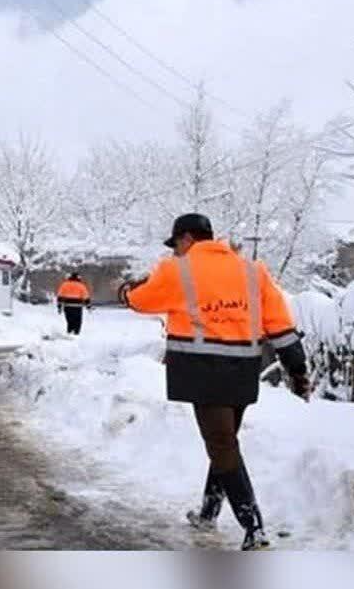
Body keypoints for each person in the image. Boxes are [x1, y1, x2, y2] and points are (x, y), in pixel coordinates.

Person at [119, 213, 311, 551]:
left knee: (222, 445)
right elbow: (279, 325)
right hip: (242, 372)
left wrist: (126, 291)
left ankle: (254, 528)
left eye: (176, 243)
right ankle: (209, 511)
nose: (176, 250)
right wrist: (298, 370)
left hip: (203, 370)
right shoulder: (254, 271)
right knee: (225, 440)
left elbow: (141, 301)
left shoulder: (175, 269)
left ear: (188, 239)